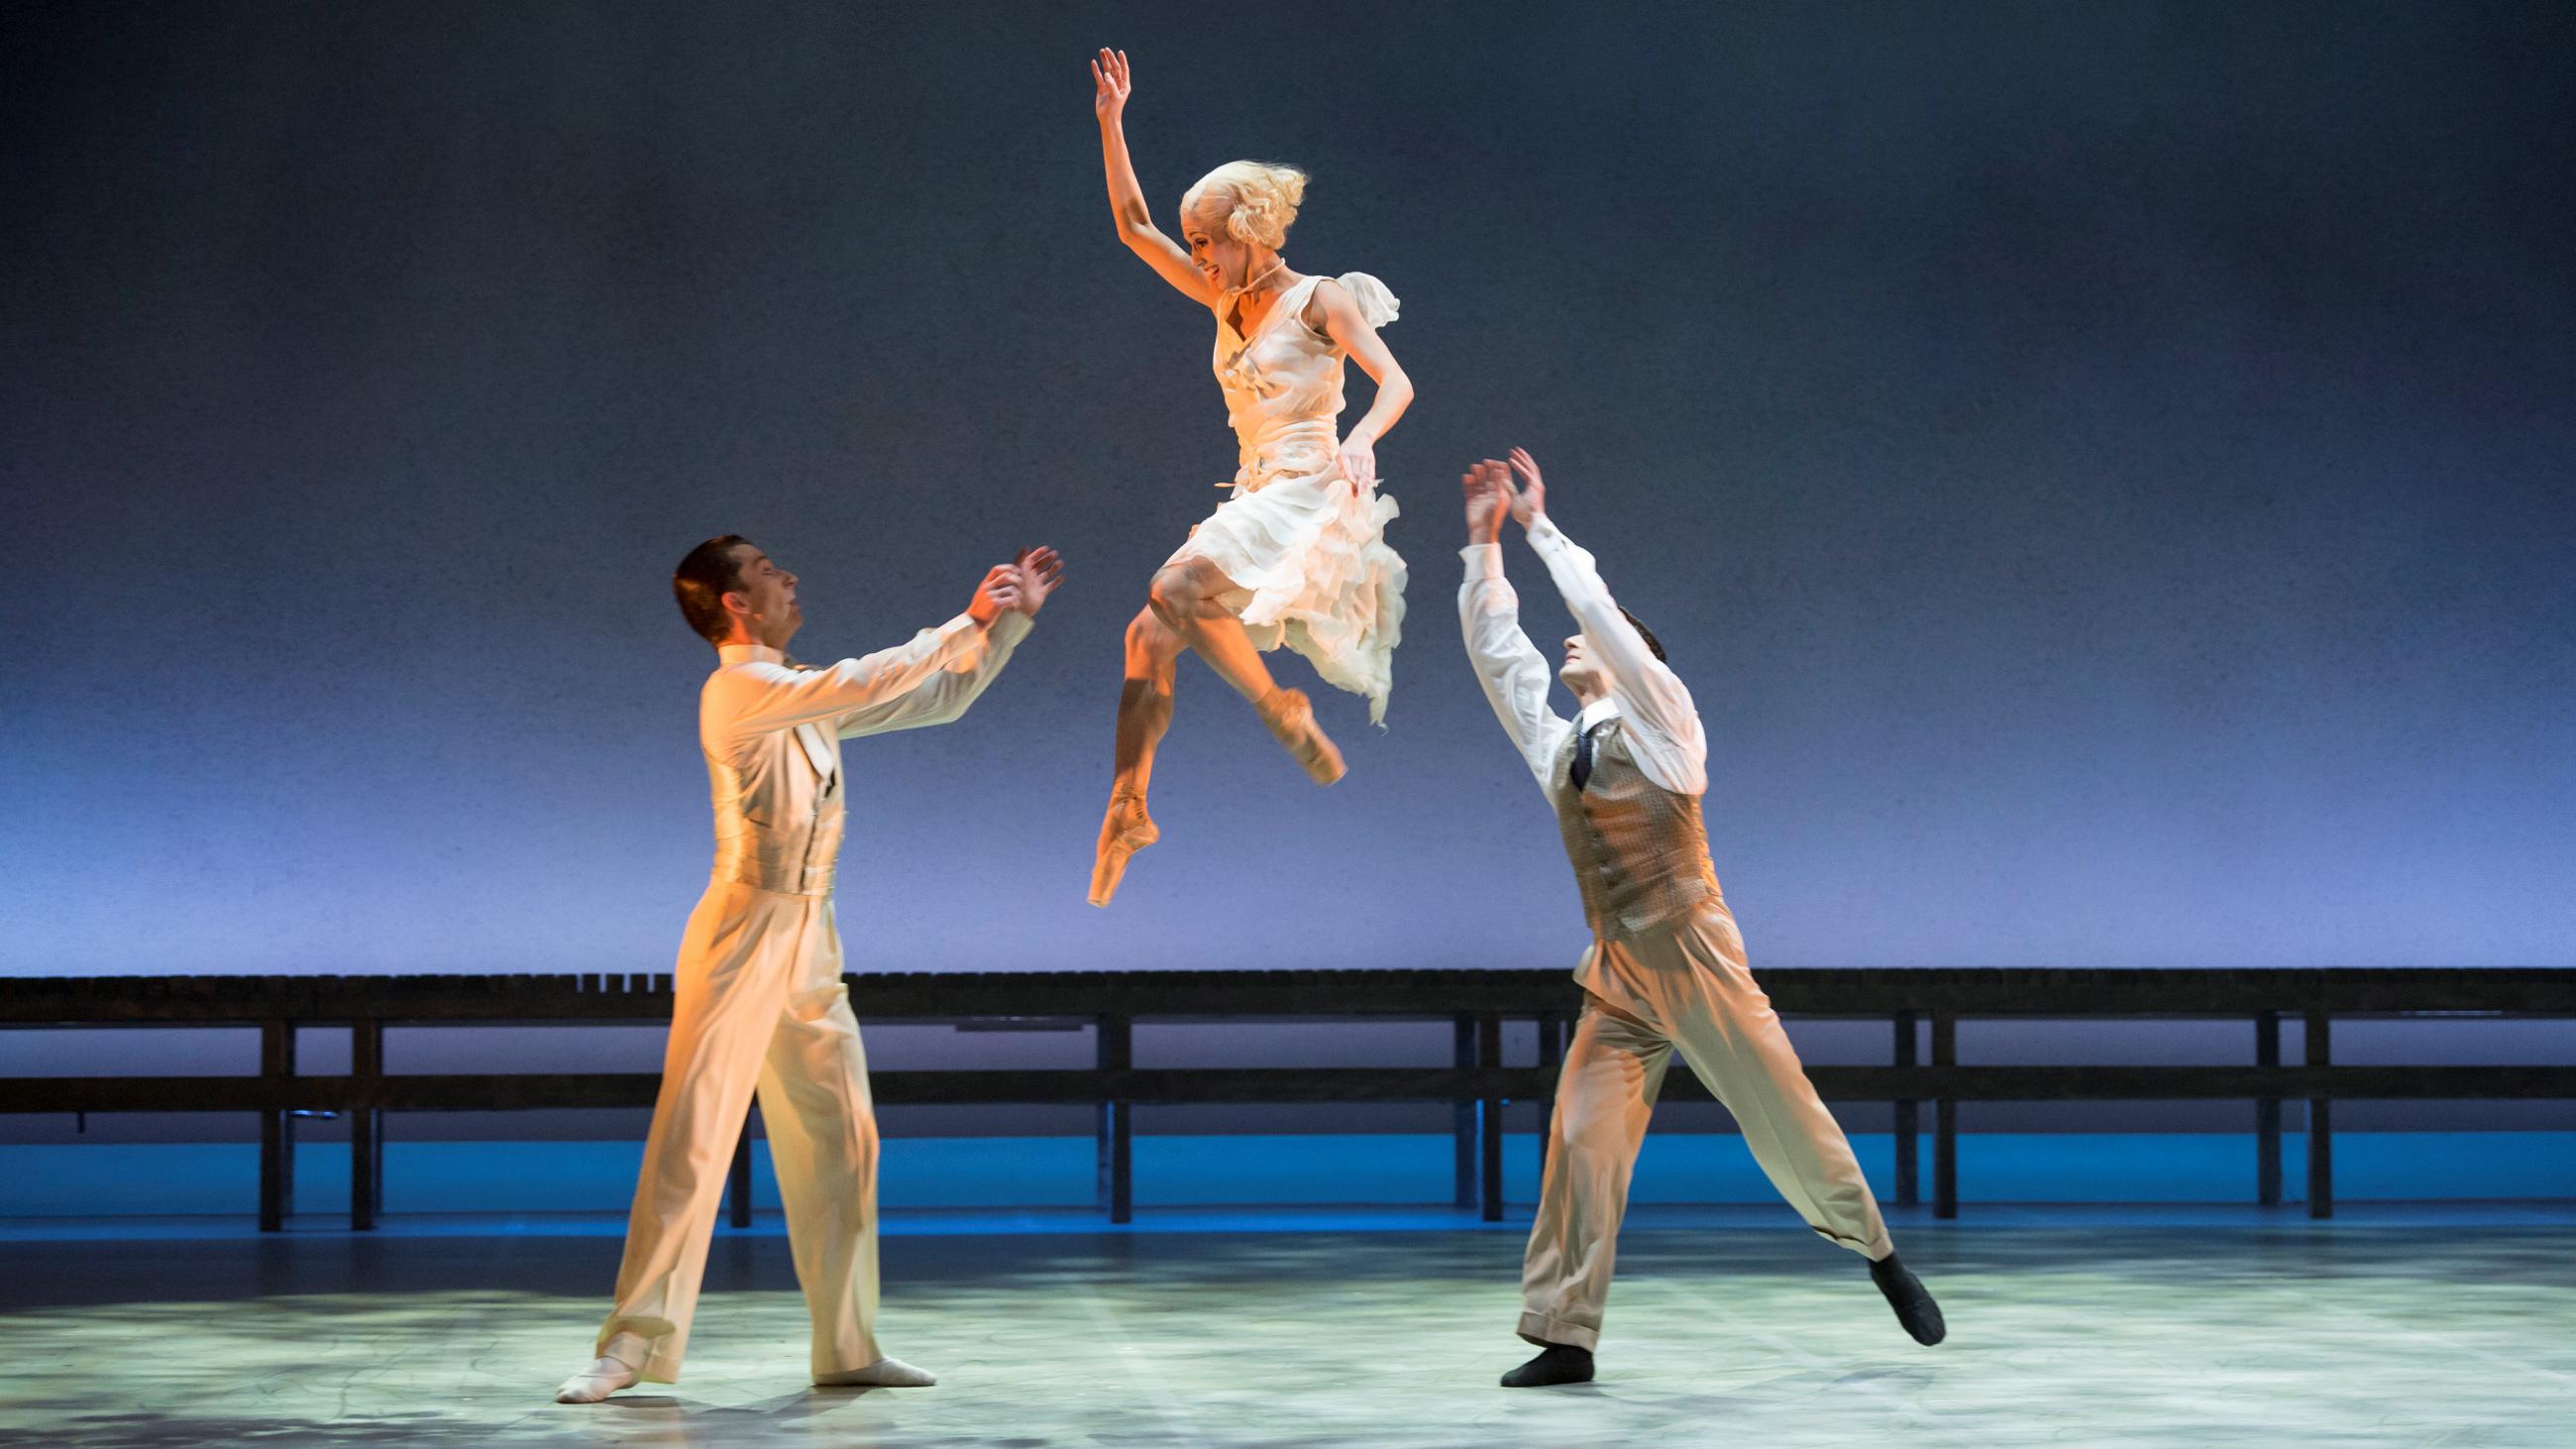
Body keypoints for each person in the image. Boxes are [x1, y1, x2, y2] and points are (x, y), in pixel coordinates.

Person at [1455, 452, 1943, 1389]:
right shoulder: (1568, 746)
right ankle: (1566, 1334)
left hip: (1696, 956)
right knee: (1579, 1141)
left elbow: (1604, 620)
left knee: (1782, 1112)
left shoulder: (1668, 728)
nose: (1572, 641)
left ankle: (1880, 1256)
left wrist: (1540, 531)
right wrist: (1483, 552)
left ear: (1639, 664)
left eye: (1595, 637)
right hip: (1620, 973)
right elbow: (1500, 663)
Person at [555, 537, 1063, 1403]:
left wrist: (1005, 628)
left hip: (808, 937)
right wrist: (965, 618)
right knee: (696, 1136)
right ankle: (630, 1346)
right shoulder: (743, 690)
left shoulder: (793, 694)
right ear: (734, 603)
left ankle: (847, 1344)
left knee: (842, 1138)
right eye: (765, 570)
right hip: (744, 927)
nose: (788, 576)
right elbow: (864, 678)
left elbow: (933, 698)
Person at [1084, 47, 1414, 906]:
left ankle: (1281, 709)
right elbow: (1130, 225)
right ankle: (1129, 805)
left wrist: (1367, 437)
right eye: (1192, 241)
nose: (1194, 256)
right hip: (1255, 488)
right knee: (1148, 635)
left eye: (1206, 241)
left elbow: (1397, 381)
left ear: (1250, 234)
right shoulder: (1223, 300)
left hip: (1308, 484)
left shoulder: (1320, 300)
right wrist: (1113, 122)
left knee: (1175, 586)